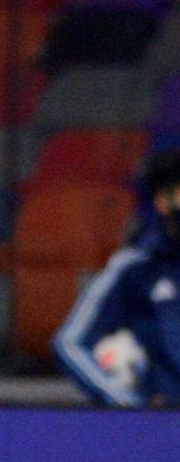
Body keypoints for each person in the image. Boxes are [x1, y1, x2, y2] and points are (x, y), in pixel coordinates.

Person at [54, 148, 180, 407]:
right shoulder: (135, 268)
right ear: (162, 201)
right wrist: (131, 405)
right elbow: (70, 344)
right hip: (163, 426)